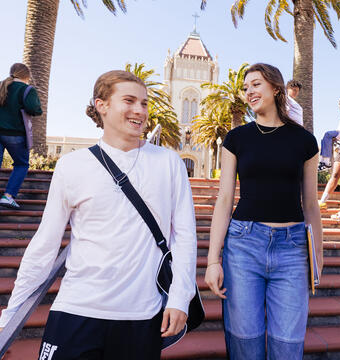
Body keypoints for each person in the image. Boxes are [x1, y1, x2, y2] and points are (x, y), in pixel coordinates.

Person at [0, 70, 197, 359]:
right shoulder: (72, 165)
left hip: (141, 316)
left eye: (144, 103)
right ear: (101, 105)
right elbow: (45, 244)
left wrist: (180, 298)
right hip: (75, 310)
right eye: (129, 100)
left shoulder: (169, 163)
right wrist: (10, 317)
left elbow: (185, 235)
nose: (139, 110)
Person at [205, 63, 323, 360]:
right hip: (244, 245)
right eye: (245, 88)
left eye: (255, 84)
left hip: (293, 248)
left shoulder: (305, 141)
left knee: (288, 344)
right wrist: (211, 260)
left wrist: (317, 258)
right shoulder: (236, 139)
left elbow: (311, 204)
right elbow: (224, 199)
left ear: (275, 88)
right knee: (246, 341)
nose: (249, 92)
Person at [0, 63, 42, 209]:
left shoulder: (1, 86)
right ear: (27, 75)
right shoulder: (27, 90)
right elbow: (35, 109)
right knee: (21, 164)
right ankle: (8, 196)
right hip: (15, 135)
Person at [318, 97, 340, 171]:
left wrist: (337, 138)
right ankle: (323, 162)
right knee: (324, 139)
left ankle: (326, 163)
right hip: (339, 135)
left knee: (327, 134)